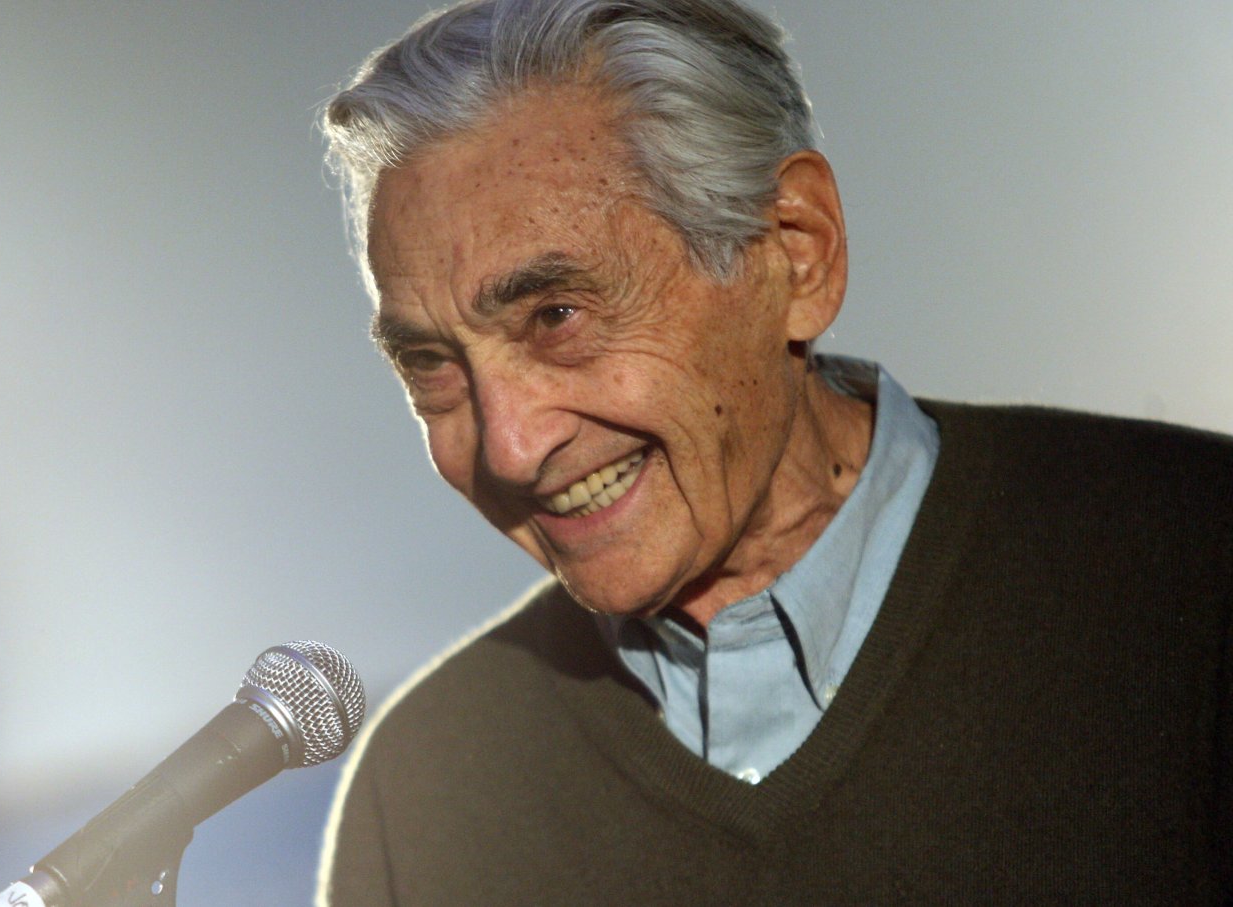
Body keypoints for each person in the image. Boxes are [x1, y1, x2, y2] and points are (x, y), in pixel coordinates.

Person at [315, 1, 1233, 902]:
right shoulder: (423, 794)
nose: (512, 447)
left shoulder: (1200, 562)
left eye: (557, 316)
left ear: (797, 254)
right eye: (432, 364)